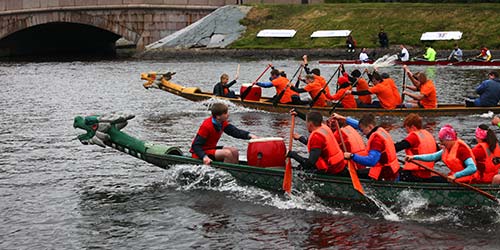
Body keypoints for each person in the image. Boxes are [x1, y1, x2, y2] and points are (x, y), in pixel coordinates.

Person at [332, 113, 400, 181]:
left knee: (351, 173)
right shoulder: (380, 130)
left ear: (370, 127)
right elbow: (359, 125)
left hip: (386, 175)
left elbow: (371, 161)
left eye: (363, 130)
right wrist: (344, 119)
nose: (363, 133)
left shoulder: (376, 140)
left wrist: (352, 156)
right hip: (393, 171)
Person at [405, 124, 477, 183]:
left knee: (432, 180)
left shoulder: (461, 149)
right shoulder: (448, 148)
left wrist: (456, 175)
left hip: (466, 181)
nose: (441, 144)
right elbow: (433, 157)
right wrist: (414, 157)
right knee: (432, 179)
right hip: (455, 179)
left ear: (449, 139)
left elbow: (472, 168)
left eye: (442, 141)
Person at [190, 103, 258, 165]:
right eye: (225, 113)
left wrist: (249, 135)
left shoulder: (222, 122)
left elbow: (235, 132)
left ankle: (235, 170)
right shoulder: (206, 126)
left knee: (234, 151)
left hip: (211, 148)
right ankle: (227, 175)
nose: (228, 114)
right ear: (218, 117)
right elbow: (196, 146)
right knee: (227, 154)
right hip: (199, 153)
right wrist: (204, 157)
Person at [395, 114, 438, 182]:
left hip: (414, 174)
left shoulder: (414, 137)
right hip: (426, 172)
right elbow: (438, 155)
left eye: (407, 128)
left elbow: (397, 147)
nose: (407, 132)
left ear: (412, 127)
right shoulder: (428, 135)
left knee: (393, 170)